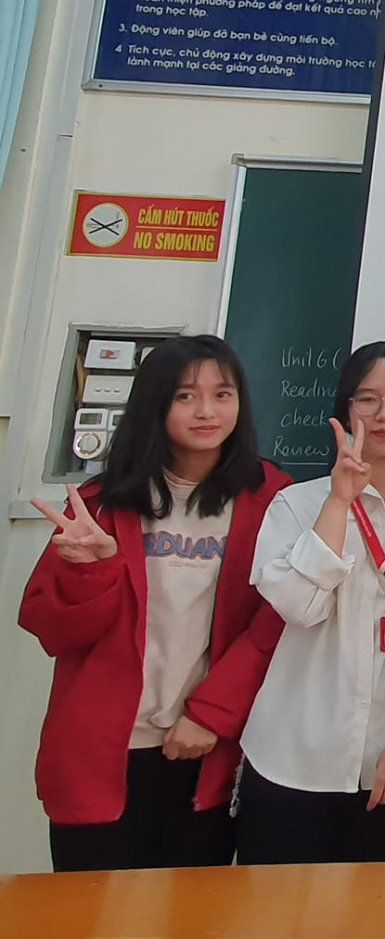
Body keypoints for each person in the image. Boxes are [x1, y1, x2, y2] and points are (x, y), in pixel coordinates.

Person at [21, 335, 291, 871]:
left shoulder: (272, 499)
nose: (207, 411)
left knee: (186, 916)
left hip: (205, 744)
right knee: (89, 912)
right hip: (104, 750)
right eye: (186, 396)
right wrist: (93, 570)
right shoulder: (101, 504)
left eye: (222, 394)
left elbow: (274, 624)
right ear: (155, 404)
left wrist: (212, 714)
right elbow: (50, 628)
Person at [236, 341, 385, 864]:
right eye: (367, 399)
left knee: (378, 911)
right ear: (345, 410)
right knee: (274, 908)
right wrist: (339, 500)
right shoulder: (296, 502)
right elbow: (300, 607)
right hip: (292, 753)